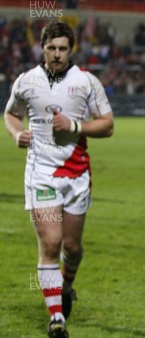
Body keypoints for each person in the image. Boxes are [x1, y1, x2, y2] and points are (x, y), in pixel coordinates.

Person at [4, 20, 114, 338]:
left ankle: (66, 286)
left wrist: (75, 126)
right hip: (41, 175)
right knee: (51, 244)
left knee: (73, 247)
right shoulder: (27, 81)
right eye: (51, 48)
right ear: (43, 48)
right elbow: (11, 113)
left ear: (71, 49)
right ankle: (56, 320)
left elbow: (107, 125)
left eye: (62, 48)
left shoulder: (86, 82)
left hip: (77, 175)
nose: (56, 54)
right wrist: (16, 133)